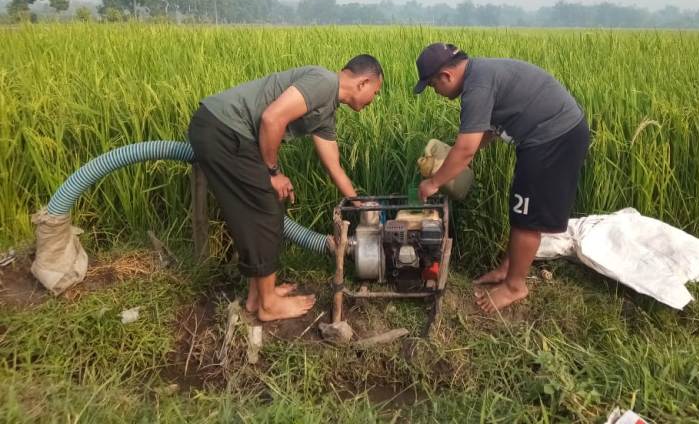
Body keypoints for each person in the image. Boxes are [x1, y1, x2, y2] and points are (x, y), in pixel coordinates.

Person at [188, 56, 383, 321]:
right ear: (364, 82)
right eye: (376, 92)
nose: (374, 99)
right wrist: (273, 172)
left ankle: (258, 296)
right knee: (266, 207)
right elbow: (271, 118)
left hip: (231, 134)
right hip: (223, 130)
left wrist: (358, 202)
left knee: (264, 207)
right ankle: (267, 304)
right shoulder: (324, 82)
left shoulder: (326, 112)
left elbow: (334, 166)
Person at [413, 43, 589, 312]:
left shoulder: (477, 87)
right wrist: (454, 158)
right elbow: (484, 134)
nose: (436, 92)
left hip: (553, 138)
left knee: (526, 218)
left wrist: (434, 182)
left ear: (446, 76)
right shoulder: (480, 75)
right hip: (548, 137)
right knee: (520, 207)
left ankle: (515, 286)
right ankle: (508, 269)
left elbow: (467, 148)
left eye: (433, 86)